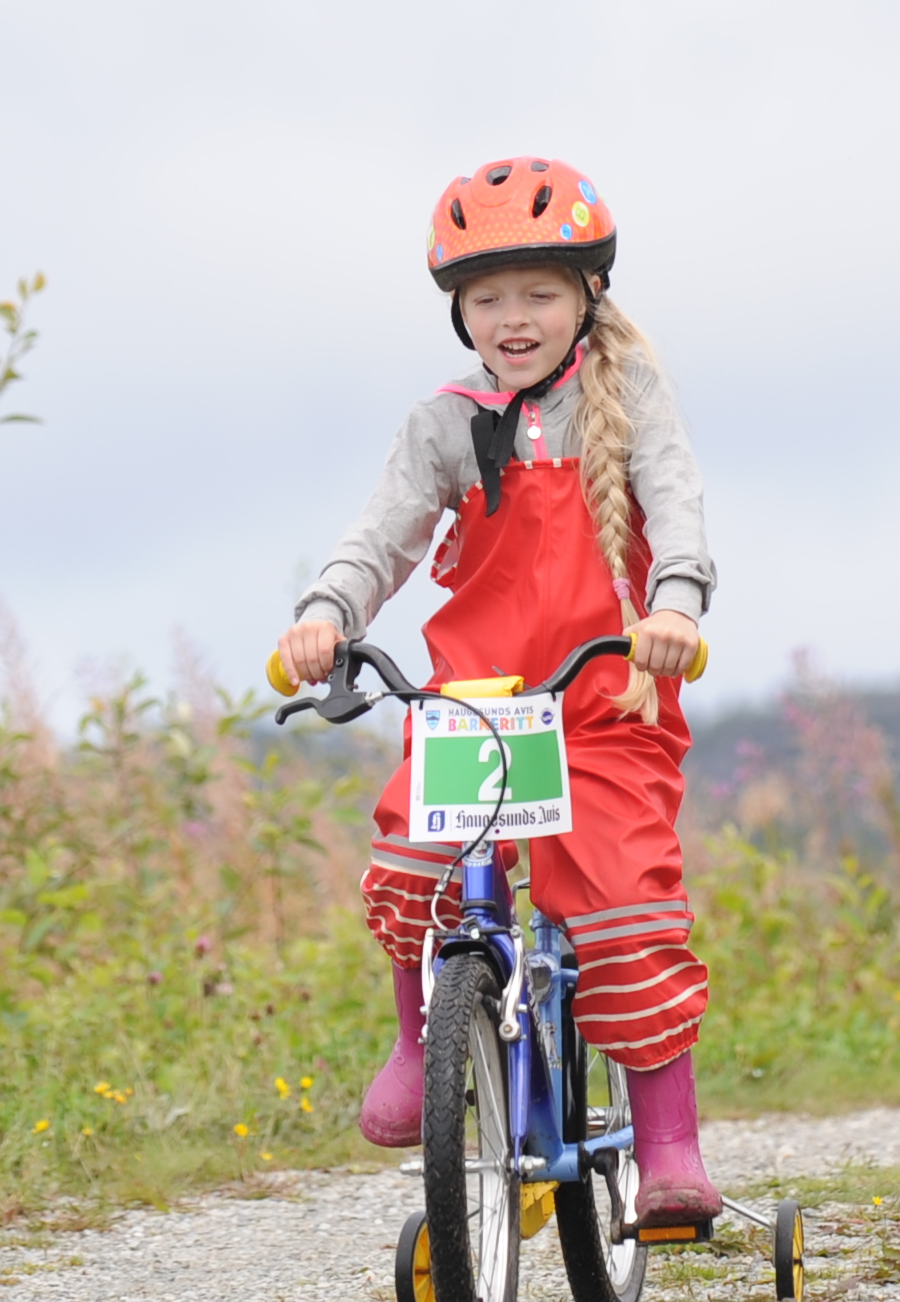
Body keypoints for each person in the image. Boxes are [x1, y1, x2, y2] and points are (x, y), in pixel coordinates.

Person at [277, 157, 724, 1231]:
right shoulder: (444, 423)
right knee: (412, 870)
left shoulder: (627, 397)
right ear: (458, 313)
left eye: (536, 293)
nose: (511, 318)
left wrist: (672, 607)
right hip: (477, 703)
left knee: (624, 913)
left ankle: (668, 1145)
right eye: (486, 298)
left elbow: (676, 497)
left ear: (585, 298)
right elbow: (382, 531)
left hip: (603, 701)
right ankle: (418, 1041)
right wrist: (328, 614)